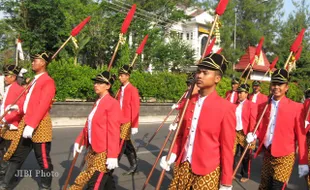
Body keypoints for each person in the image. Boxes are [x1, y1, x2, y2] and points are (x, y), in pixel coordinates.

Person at [160, 53, 236, 190]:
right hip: (184, 165)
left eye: (205, 73)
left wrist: (226, 180)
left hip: (208, 170)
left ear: (217, 78)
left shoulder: (226, 108)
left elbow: (227, 148)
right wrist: (172, 153)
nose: (199, 76)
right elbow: (181, 134)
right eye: (198, 72)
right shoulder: (189, 102)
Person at [0, 52, 56, 190]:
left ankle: (45, 186)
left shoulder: (47, 81)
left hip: (40, 124)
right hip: (26, 122)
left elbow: (43, 105)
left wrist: (32, 124)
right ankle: (6, 184)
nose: (32, 63)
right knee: (17, 155)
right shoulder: (33, 80)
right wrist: (17, 109)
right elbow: (26, 101)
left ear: (43, 63)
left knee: (42, 158)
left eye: (35, 60)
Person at [246, 69, 308, 190]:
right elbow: (260, 127)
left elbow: (301, 136)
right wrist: (253, 134)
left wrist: (303, 160)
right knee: (264, 186)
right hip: (268, 153)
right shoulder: (263, 106)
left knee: (277, 187)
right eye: (274, 83)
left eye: (280, 84)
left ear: (286, 87)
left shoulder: (296, 108)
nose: (276, 87)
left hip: (285, 155)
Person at [70, 71, 121, 190]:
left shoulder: (112, 103)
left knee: (94, 184)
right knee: (107, 183)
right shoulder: (97, 102)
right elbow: (89, 125)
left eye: (100, 83)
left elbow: (114, 131)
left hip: (104, 151)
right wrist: (80, 140)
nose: (96, 85)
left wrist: (112, 155)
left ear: (108, 86)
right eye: (95, 83)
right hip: (93, 149)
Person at [0, 65, 25, 176]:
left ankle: (9, 174)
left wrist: (7, 119)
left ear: (14, 77)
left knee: (10, 151)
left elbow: (20, 108)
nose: (5, 78)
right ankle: (3, 170)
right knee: (2, 149)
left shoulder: (19, 90)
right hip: (3, 123)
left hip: (12, 125)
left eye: (7, 75)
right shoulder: (8, 88)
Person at [116, 65, 140, 175]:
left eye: (122, 76)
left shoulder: (132, 90)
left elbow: (135, 108)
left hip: (127, 121)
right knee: (126, 142)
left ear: (127, 76)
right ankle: (134, 163)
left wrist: (135, 125)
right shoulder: (120, 90)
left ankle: (114, 162)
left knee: (120, 142)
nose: (120, 78)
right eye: (119, 75)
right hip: (119, 120)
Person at [233, 83, 257, 183]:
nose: (239, 95)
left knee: (245, 155)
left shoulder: (251, 105)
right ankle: (231, 172)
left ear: (247, 93)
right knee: (232, 153)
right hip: (235, 132)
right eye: (238, 93)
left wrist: (251, 132)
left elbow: (253, 119)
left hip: (245, 133)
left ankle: (245, 174)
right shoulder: (235, 105)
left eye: (242, 93)